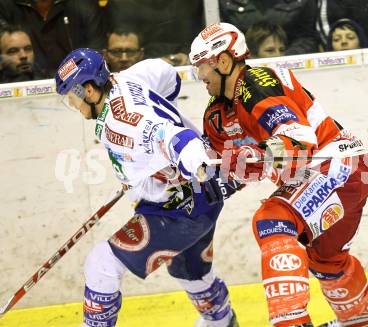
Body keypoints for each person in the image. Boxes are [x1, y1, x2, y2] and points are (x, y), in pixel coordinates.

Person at [189, 22, 368, 327]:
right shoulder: (217, 114)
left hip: (340, 165)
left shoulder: (256, 84)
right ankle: (364, 320)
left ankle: (291, 322)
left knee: (272, 220)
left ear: (225, 62)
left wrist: (254, 157)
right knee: (326, 261)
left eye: (202, 67)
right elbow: (226, 168)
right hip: (342, 174)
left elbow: (299, 143)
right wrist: (197, 185)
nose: (199, 76)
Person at [54, 48, 239, 327]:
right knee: (187, 269)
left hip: (179, 207)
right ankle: (221, 321)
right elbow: (168, 77)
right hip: (199, 199)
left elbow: (173, 137)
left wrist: (191, 159)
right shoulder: (127, 79)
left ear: (89, 91)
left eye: (73, 98)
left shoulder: (125, 122)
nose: (75, 106)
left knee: (102, 264)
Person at [0, 0, 107, 76]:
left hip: (76, 83)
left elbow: (94, 55)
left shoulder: (83, 5)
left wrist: (63, 77)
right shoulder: (6, 6)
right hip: (21, 84)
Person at [106, 0, 203, 66]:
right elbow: (123, 43)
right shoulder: (123, 4)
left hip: (185, 64)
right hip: (136, 64)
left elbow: (198, 35)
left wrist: (186, 54)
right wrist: (152, 63)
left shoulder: (190, 3)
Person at [219, 0, 318, 55]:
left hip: (291, 62)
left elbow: (307, 36)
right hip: (242, 63)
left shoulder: (302, 2)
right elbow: (221, 39)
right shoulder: (225, 3)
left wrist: (283, 58)